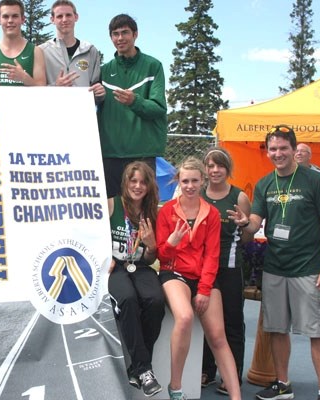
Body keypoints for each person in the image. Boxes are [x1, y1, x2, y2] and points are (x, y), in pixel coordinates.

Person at [229, 125, 320, 400]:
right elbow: (255, 221)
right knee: (276, 328)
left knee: (317, 331)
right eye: (273, 149)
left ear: (294, 149)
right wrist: (245, 224)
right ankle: (283, 384)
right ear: (268, 152)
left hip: (309, 268)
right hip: (275, 267)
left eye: (283, 148)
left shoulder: (315, 180)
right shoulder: (265, 184)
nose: (278, 154)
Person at [156, 156, 241, 400]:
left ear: (202, 181)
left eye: (194, 180)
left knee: (217, 336)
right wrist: (171, 243)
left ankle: (236, 396)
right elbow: (161, 255)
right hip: (174, 273)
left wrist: (204, 289)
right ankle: (176, 387)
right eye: (185, 181)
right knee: (184, 317)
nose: (190, 186)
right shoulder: (167, 212)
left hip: (202, 278)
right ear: (178, 182)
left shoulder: (211, 213)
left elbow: (213, 255)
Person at [107, 161, 164, 397]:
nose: (138, 186)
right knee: (128, 300)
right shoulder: (112, 204)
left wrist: (151, 246)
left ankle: (137, 367)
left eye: (142, 182)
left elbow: (151, 259)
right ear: (126, 183)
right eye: (133, 181)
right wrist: (101, 257)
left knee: (155, 301)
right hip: (116, 267)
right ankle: (145, 371)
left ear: (149, 186)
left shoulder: (153, 212)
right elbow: (90, 231)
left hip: (140, 266)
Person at [97, 14, 167, 198]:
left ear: (135, 34)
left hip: (142, 153)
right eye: (115, 34)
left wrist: (134, 101)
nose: (120, 38)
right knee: (113, 211)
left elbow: (159, 107)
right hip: (110, 154)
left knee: (143, 210)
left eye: (125, 33)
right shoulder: (104, 71)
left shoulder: (153, 66)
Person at [201, 147, 253, 395]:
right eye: (210, 165)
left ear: (227, 168)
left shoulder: (239, 196)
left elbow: (246, 237)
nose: (214, 170)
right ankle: (206, 370)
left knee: (232, 322)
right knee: (205, 321)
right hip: (203, 269)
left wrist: (244, 224)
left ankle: (233, 375)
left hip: (229, 267)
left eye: (219, 165)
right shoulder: (198, 193)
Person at [39, 0, 105, 100]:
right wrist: (55, 87)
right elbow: (36, 92)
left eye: (68, 15)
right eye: (59, 16)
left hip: (83, 113)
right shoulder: (42, 51)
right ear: (52, 19)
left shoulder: (90, 50)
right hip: (52, 113)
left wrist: (100, 94)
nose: (64, 19)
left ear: (76, 17)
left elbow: (97, 93)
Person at [0, 0, 46, 86]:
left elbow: (43, 91)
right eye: (5, 17)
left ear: (23, 19)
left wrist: (24, 78)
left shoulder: (35, 52)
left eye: (15, 16)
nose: (10, 21)